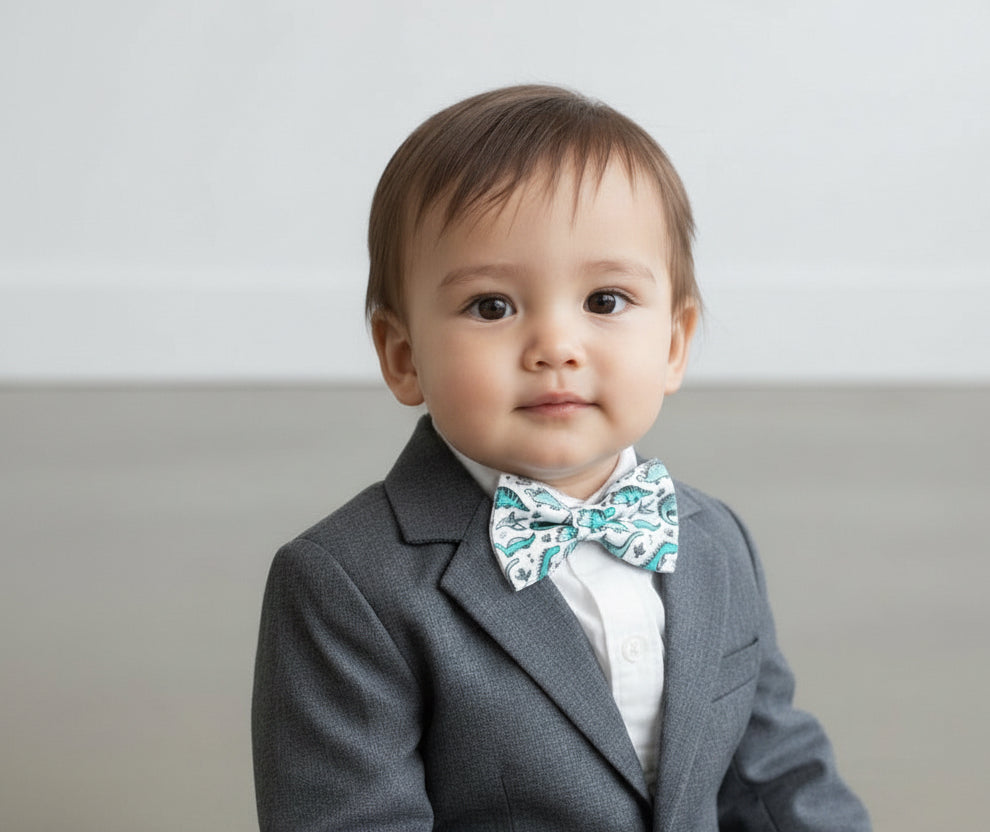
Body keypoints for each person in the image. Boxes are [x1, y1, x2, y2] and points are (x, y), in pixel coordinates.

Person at [252, 84, 870, 831]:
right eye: (492, 306)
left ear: (674, 344)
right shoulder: (346, 584)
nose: (556, 347)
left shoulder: (715, 541)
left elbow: (776, 776)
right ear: (403, 355)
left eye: (605, 301)